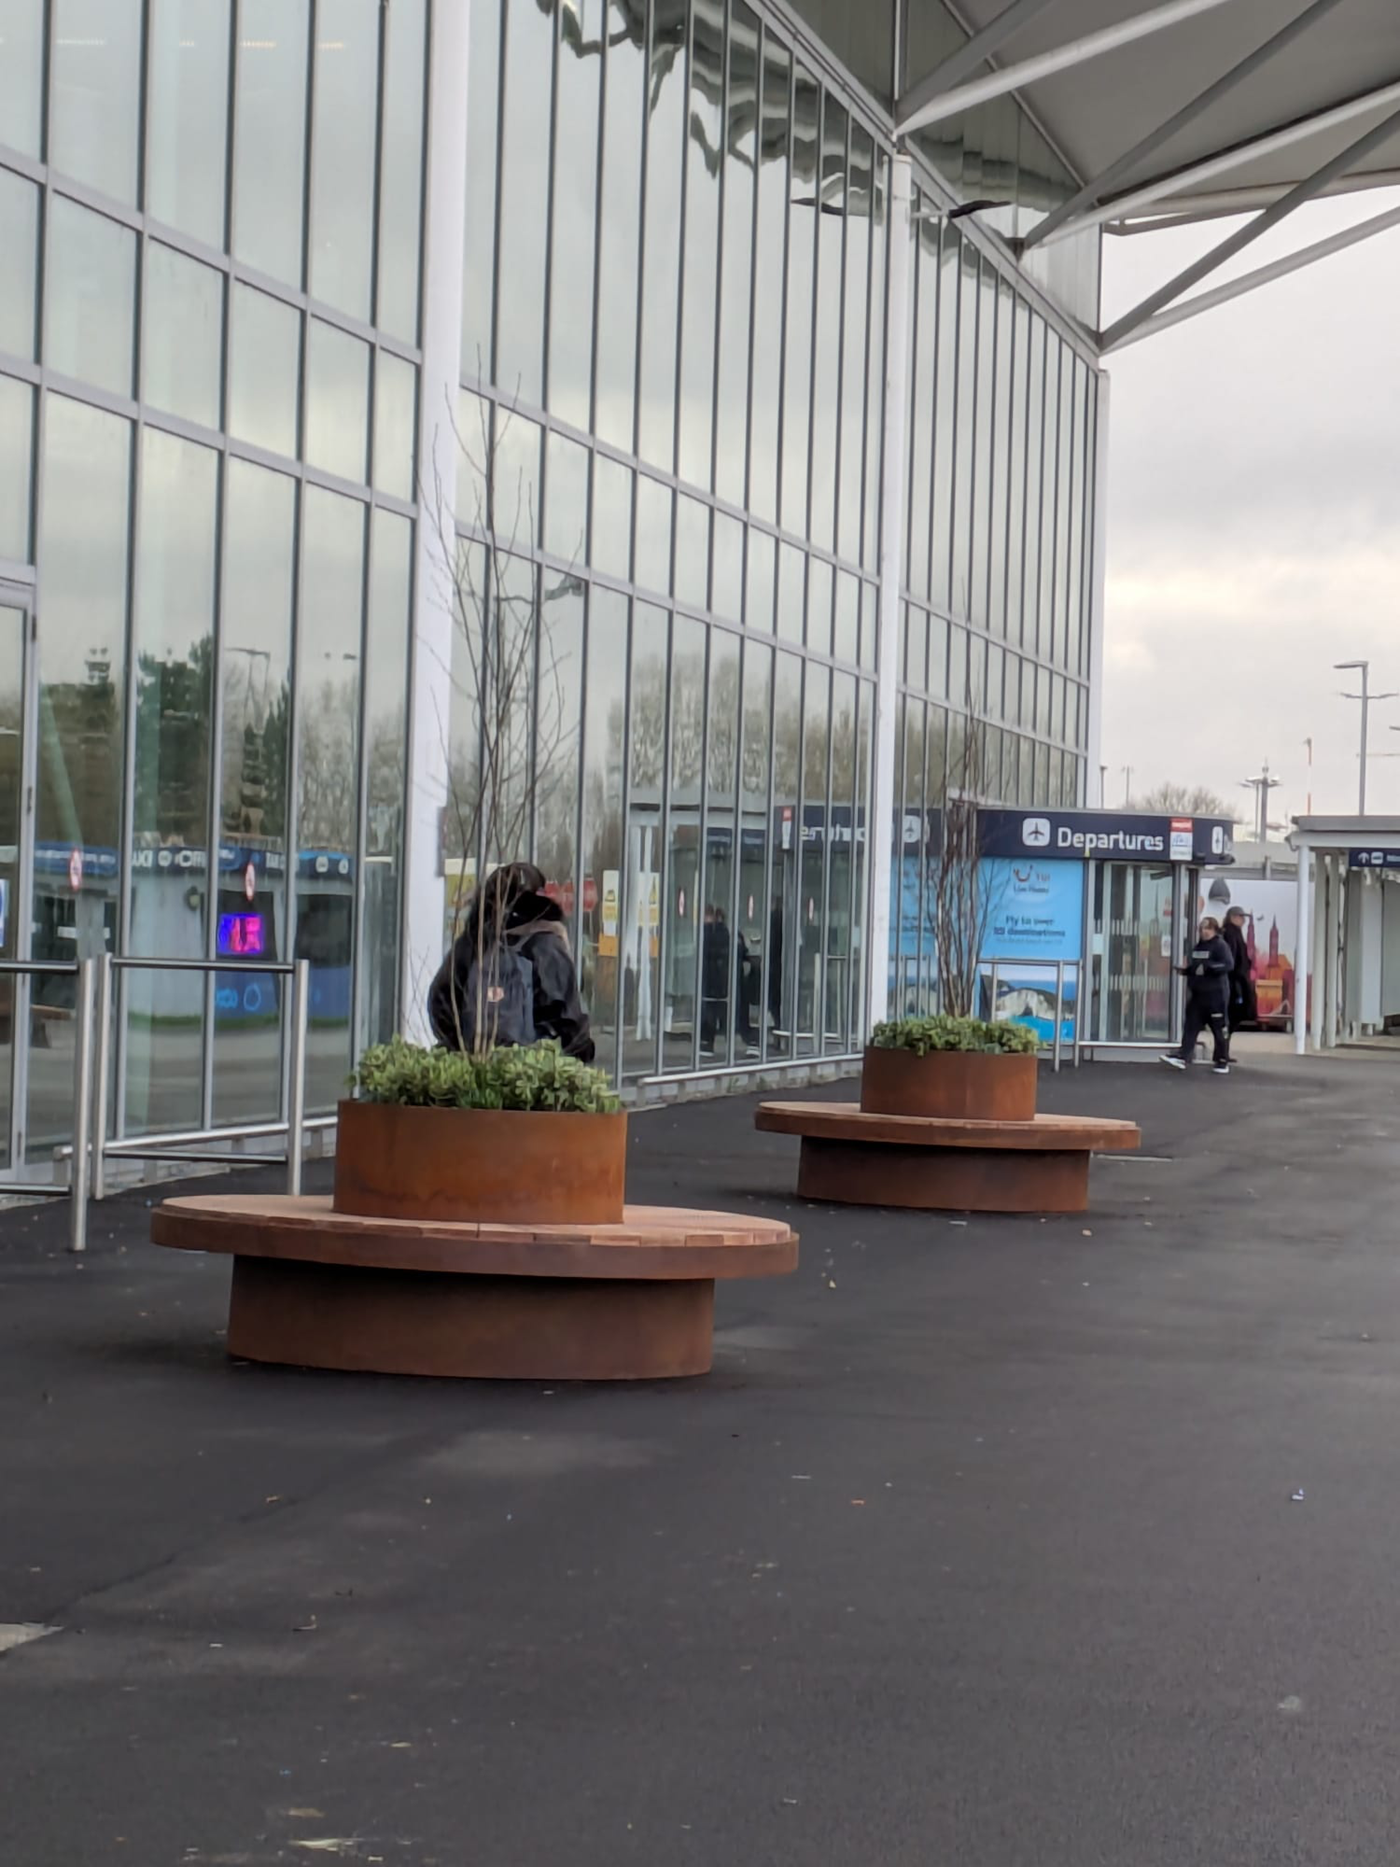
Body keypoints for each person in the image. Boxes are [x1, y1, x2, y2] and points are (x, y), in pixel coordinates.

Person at [428, 861, 594, 1060]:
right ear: (539, 897)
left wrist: (463, 1051)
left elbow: (440, 1002)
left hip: (473, 1067)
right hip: (529, 1072)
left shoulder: (473, 942)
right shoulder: (546, 944)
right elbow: (570, 1021)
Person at [1161, 915, 1232, 1074]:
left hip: (1216, 996)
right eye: (1202, 929)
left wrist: (1209, 967)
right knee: (1191, 1026)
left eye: (1208, 928)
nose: (1204, 932)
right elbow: (1196, 967)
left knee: (1219, 1029)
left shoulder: (1220, 946)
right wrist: (1186, 971)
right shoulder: (1198, 947)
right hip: (1198, 995)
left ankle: (1222, 1060)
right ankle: (1183, 1056)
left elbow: (1228, 965)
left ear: (1214, 930)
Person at [1220, 905, 1257, 1036]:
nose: (1244, 921)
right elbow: (1233, 957)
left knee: (1235, 1013)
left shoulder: (1232, 933)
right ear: (1233, 917)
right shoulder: (1231, 933)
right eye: (1241, 917)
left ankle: (1224, 1042)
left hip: (1236, 978)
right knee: (1236, 1011)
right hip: (1235, 980)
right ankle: (1223, 1043)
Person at [700, 905, 731, 1054]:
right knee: (721, 1011)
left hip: (711, 980)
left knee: (710, 1011)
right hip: (722, 980)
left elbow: (705, 952)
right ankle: (726, 1041)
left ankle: (708, 1042)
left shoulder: (709, 933)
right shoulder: (727, 934)